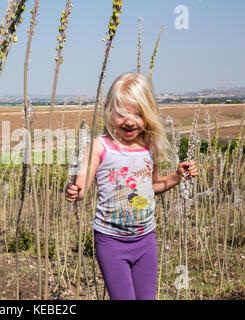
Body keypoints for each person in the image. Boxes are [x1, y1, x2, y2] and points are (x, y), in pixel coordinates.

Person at [64, 73, 198, 300]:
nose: (129, 121)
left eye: (138, 114)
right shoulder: (100, 146)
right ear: (108, 109)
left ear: (148, 115)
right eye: (122, 114)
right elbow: (83, 182)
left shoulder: (149, 147)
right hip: (111, 242)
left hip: (146, 240)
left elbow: (153, 184)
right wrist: (75, 190)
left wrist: (177, 176)